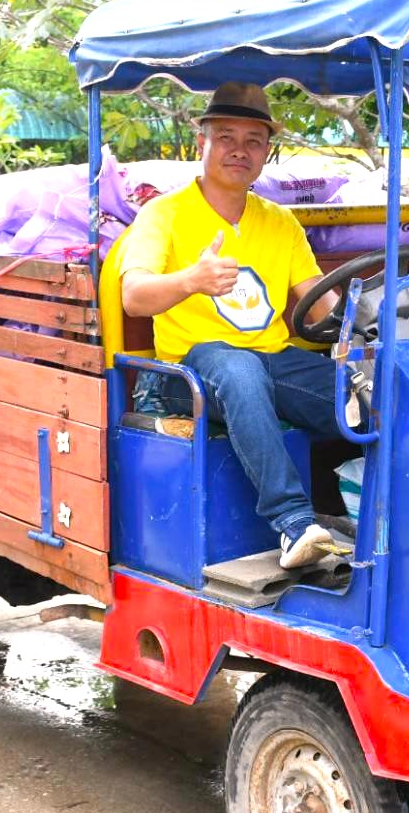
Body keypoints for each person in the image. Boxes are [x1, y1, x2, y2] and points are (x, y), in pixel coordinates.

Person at [121, 82, 342, 569]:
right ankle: (294, 524)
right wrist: (192, 280)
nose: (239, 150)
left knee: (366, 392)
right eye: (226, 137)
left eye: (253, 140)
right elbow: (134, 298)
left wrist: (372, 316)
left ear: (267, 152)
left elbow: (321, 301)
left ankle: (383, 514)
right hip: (187, 373)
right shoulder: (163, 214)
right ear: (201, 142)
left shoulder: (280, 221)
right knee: (239, 371)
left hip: (269, 362)